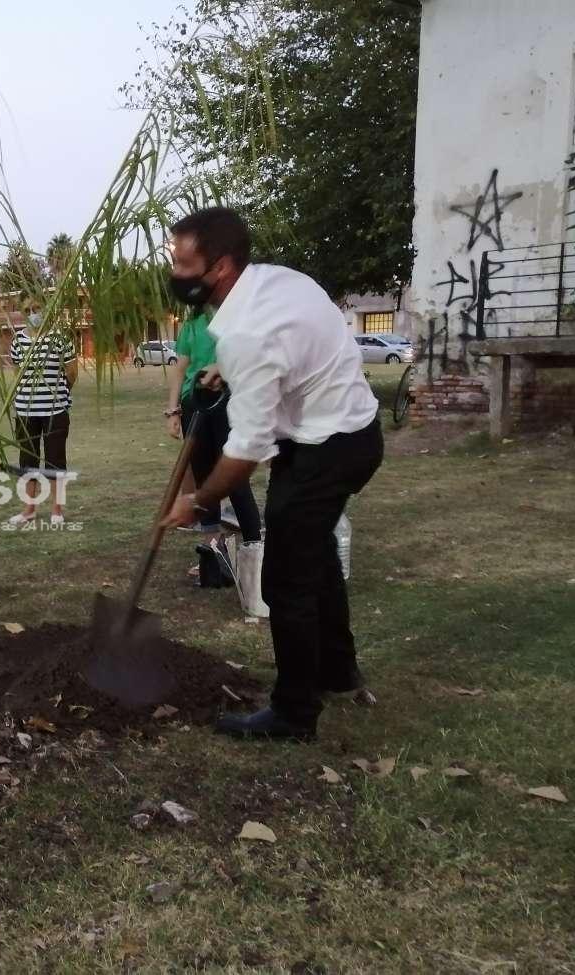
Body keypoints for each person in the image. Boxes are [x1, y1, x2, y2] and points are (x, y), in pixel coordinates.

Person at [160, 207, 382, 742]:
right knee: (315, 555)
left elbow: (244, 454)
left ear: (221, 266)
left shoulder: (247, 335)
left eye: (184, 264)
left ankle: (294, 714)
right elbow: (287, 351)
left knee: (288, 578)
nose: (176, 274)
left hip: (325, 449)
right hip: (352, 434)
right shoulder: (278, 282)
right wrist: (227, 369)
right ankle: (337, 671)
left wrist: (197, 501)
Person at [164, 307, 262, 556]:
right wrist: (173, 410)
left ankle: (254, 549)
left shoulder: (236, 315)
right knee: (203, 476)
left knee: (235, 476)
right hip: (194, 401)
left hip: (228, 400)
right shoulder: (191, 323)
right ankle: (213, 551)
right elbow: (181, 368)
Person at [7, 302, 77, 526]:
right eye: (27, 310)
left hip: (55, 410)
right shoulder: (17, 341)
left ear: (46, 307)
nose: (32, 314)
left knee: (55, 460)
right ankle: (29, 509)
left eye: (36, 308)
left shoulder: (60, 338)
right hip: (25, 411)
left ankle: (57, 509)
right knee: (28, 460)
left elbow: (71, 372)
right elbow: (17, 373)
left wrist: (59, 393)